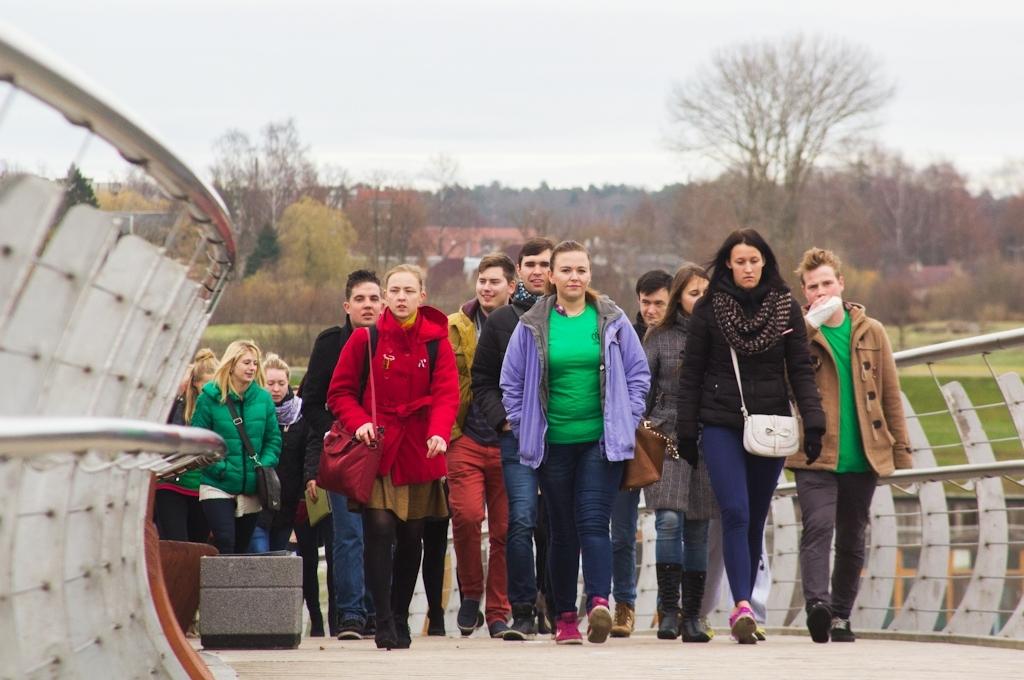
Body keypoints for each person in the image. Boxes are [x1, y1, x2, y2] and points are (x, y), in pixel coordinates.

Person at [676, 228, 824, 644]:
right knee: (736, 511)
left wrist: (812, 422)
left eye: (753, 260)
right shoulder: (709, 309)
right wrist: (688, 430)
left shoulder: (785, 308)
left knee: (755, 519)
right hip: (721, 423)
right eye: (739, 261)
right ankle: (742, 605)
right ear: (728, 263)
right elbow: (692, 374)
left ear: (765, 262)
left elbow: (799, 369)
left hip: (771, 425)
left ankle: (747, 608)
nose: (747, 268)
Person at [501, 240, 650, 645]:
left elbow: (638, 373)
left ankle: (599, 602)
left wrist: (628, 415)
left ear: (589, 274)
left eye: (580, 270)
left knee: (592, 521)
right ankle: (566, 617)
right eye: (565, 270)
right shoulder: (533, 322)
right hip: (553, 444)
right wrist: (519, 420)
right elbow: (511, 380)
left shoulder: (611, 319)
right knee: (562, 531)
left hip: (600, 443)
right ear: (551, 276)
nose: (574, 277)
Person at [327, 264, 459, 650]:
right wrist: (359, 423)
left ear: (422, 296)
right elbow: (340, 393)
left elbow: (447, 393)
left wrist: (439, 430)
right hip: (378, 447)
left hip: (420, 447)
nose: (401, 297)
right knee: (380, 529)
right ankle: (382, 618)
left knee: (412, 537)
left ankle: (400, 614)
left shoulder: (437, 341)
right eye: (395, 291)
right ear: (386, 297)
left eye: (408, 290)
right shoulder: (365, 339)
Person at [789, 247, 911, 643]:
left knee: (853, 534)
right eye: (813, 286)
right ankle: (817, 606)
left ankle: (841, 614)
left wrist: (902, 453)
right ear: (804, 292)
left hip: (863, 451)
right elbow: (778, 365)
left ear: (842, 283)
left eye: (828, 283)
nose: (822, 291)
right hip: (815, 452)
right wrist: (809, 324)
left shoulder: (871, 330)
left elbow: (890, 392)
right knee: (818, 526)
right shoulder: (797, 330)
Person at [471, 237, 554, 640]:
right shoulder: (504, 320)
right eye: (530, 264)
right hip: (517, 437)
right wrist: (503, 421)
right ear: (518, 270)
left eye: (545, 264)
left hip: (566, 436)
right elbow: (482, 380)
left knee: (557, 523)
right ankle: (521, 609)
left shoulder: (574, 317)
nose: (538, 271)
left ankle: (554, 604)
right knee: (519, 520)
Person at [302, 270, 382, 639]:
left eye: (373, 299)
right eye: (361, 300)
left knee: (382, 534)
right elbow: (312, 401)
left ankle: (377, 611)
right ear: (347, 305)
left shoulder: (394, 342)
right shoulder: (330, 343)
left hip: (386, 453)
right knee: (348, 534)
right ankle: (351, 614)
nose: (368, 305)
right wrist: (337, 434)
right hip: (346, 452)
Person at [642, 265, 718, 642]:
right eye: (692, 292)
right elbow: (642, 388)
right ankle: (668, 610)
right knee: (669, 520)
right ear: (679, 297)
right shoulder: (659, 336)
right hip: (665, 436)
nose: (699, 299)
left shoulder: (721, 336)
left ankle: (693, 616)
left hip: (709, 438)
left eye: (706, 292)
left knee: (700, 525)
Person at [448, 253, 517, 638]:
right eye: (482, 281)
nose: (487, 288)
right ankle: (471, 593)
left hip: (508, 441)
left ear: (511, 285)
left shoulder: (527, 323)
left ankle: (498, 610)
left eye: (495, 282)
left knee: (506, 529)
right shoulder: (454, 327)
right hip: (466, 437)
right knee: (468, 516)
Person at [610, 268, 673, 637]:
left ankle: (670, 607)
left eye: (659, 303)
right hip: (629, 442)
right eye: (646, 303)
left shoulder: (684, 338)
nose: (651, 310)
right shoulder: (623, 336)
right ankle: (625, 605)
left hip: (670, 440)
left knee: (670, 524)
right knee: (621, 530)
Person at [192, 339, 282, 555]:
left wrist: (262, 465)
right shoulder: (209, 398)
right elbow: (199, 440)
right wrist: (221, 469)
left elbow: (274, 439)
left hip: (251, 487)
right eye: (246, 363)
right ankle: (218, 588)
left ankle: (231, 588)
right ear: (231, 365)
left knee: (241, 548)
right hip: (217, 484)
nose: (252, 368)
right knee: (225, 541)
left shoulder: (263, 399)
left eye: (255, 363)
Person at [156, 348, 217, 543]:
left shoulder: (222, 409)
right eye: (207, 385)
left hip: (203, 487)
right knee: (177, 543)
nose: (211, 391)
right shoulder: (177, 408)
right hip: (172, 483)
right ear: (195, 383)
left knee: (198, 545)